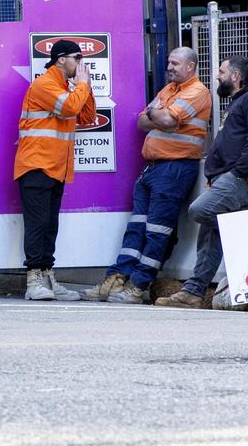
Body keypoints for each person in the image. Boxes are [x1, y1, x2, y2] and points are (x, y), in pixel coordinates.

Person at [85, 47, 210, 304]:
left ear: (191, 66)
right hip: (153, 168)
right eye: (168, 62)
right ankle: (118, 277)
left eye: (175, 63)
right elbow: (143, 122)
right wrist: (158, 116)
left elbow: (161, 119)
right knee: (137, 227)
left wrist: (156, 115)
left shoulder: (198, 91)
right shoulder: (168, 91)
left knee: (157, 231)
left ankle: (139, 285)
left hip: (175, 168)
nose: (170, 67)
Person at [156, 57, 248, 309]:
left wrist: (237, 173)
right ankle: (193, 291)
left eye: (221, 71)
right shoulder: (240, 101)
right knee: (209, 239)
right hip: (224, 179)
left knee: (199, 211)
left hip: (239, 180)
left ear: (235, 76)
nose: (217, 76)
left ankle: (243, 229)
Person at [14, 39, 95, 301]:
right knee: (38, 225)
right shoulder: (44, 84)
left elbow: (86, 117)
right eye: (77, 58)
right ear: (61, 59)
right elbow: (71, 108)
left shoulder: (67, 87)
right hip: (36, 165)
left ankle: (47, 279)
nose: (80, 63)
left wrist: (87, 87)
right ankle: (33, 281)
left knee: (49, 226)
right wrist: (81, 86)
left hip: (56, 168)